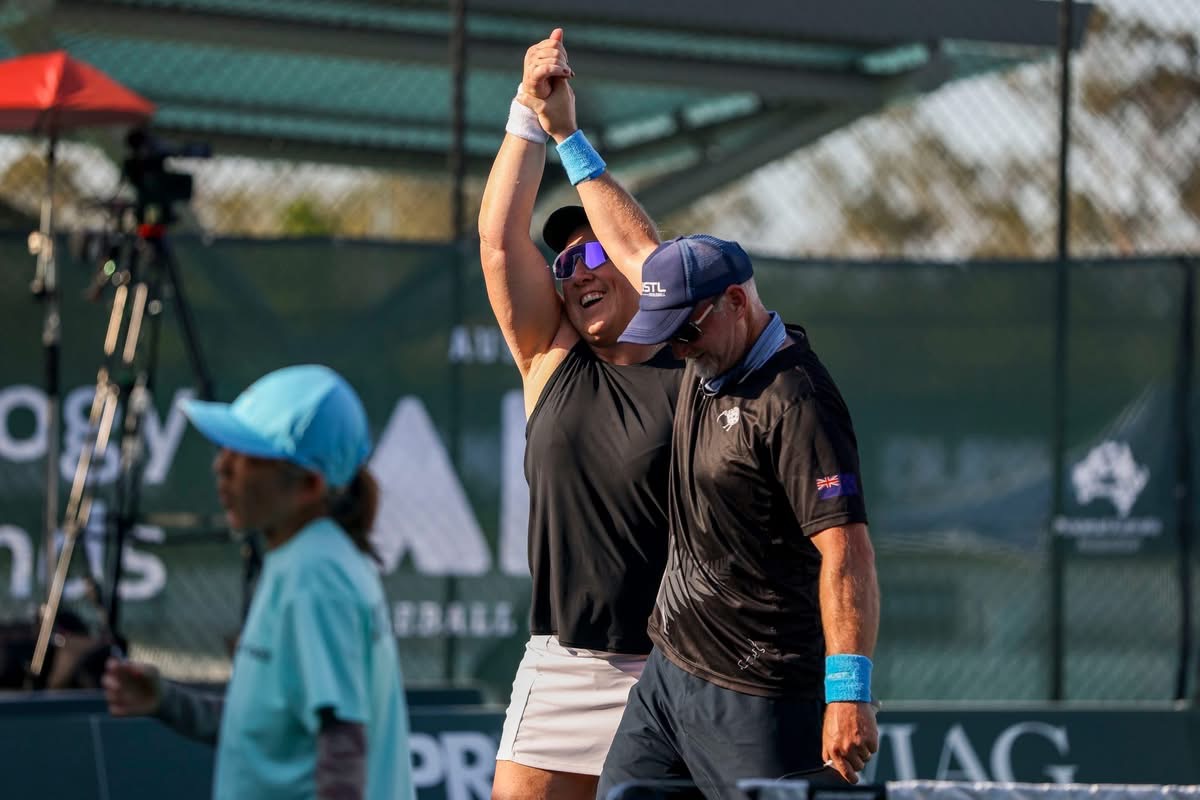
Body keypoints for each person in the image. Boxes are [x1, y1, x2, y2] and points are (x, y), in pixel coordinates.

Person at [515, 41, 882, 796]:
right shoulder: (700, 338)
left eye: (686, 329)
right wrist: (562, 134)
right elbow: (635, 245)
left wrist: (848, 690)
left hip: (760, 696)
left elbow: (847, 554)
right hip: (670, 676)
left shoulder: (796, 401)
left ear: (739, 303)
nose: (673, 345)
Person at [478, 29, 684, 800]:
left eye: (597, 253)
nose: (580, 270)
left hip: (682, 666)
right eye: (566, 262)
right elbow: (500, 244)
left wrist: (574, 135)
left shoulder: (693, 370)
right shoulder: (550, 361)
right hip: (566, 664)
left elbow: (656, 262)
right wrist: (528, 112)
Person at [102, 364, 414, 800]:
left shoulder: (315, 573)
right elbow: (271, 729)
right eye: (224, 448)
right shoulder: (305, 557)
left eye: (245, 453)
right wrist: (166, 702)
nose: (222, 467)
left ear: (308, 485)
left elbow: (342, 743)